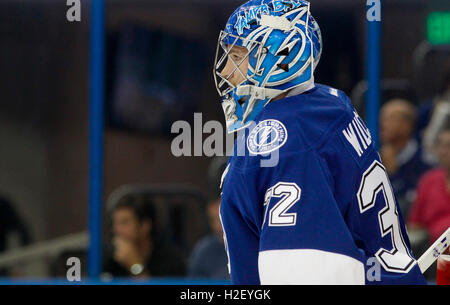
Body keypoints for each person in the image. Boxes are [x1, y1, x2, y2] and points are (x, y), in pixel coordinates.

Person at [213, 0, 426, 284]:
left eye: (237, 55)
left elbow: (309, 274)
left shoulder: (282, 142)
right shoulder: (330, 105)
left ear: (281, 56)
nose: (226, 69)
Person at [102, 195, 186, 279]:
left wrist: (134, 265)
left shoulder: (171, 262)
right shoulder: (108, 259)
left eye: (124, 222)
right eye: (115, 223)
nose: (116, 230)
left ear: (145, 226)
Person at [379, 99, 433, 217]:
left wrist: (394, 172)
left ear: (407, 125)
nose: (383, 124)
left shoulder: (424, 159)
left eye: (391, 118)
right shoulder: (373, 155)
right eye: (383, 118)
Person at [408, 123, 450, 246]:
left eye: (448, 146)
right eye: (441, 145)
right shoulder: (429, 180)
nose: (444, 151)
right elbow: (415, 224)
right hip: (435, 253)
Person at [187, 197, 230, 280]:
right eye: (213, 220)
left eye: (222, 218)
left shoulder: (255, 245)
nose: (218, 226)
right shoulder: (203, 250)